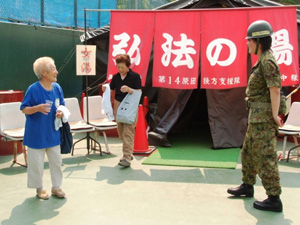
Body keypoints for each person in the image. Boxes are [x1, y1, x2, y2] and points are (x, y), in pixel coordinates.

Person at [227, 20, 284, 212]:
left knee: (265, 156)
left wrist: (275, 116)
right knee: (248, 153)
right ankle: (247, 185)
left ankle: (274, 198)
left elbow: (275, 90)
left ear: (259, 41)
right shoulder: (262, 60)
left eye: (250, 40)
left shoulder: (268, 62)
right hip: (256, 117)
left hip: (264, 118)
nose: (247, 43)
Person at [21, 56, 66, 200]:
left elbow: (62, 105)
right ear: (44, 73)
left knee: (57, 162)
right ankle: (39, 189)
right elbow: (24, 109)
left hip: (53, 133)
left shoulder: (57, 88)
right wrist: (37, 108)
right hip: (36, 135)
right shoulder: (33, 89)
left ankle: (56, 187)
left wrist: (61, 112)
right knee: (36, 165)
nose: (57, 72)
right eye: (53, 69)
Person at [103, 54, 142, 167]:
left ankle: (126, 158)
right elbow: (110, 90)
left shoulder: (135, 76)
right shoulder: (115, 77)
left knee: (128, 132)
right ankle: (128, 153)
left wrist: (130, 90)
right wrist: (105, 89)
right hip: (118, 105)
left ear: (128, 66)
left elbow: (138, 92)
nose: (120, 70)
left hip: (131, 106)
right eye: (118, 67)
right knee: (121, 132)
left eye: (123, 67)